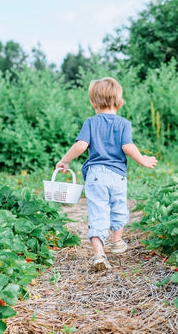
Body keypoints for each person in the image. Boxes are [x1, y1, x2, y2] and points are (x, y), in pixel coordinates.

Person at [56, 77, 157, 272]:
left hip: (95, 175)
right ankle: (117, 241)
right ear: (119, 102)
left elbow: (81, 145)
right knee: (119, 206)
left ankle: (99, 254)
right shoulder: (123, 123)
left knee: (97, 212)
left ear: (93, 103)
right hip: (117, 175)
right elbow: (127, 146)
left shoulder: (91, 122)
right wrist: (143, 159)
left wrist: (65, 160)